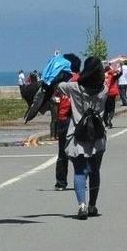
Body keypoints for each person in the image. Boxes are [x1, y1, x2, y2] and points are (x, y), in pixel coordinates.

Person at [58, 57, 108, 219]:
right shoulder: (104, 89)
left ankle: (82, 205)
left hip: (78, 135)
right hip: (97, 136)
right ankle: (93, 204)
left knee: (79, 171)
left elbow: (58, 85)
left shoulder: (74, 88)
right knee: (95, 171)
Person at [54, 57, 81, 191]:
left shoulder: (65, 81)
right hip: (79, 119)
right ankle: (81, 179)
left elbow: (54, 95)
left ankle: (61, 182)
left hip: (65, 118)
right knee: (80, 151)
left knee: (62, 152)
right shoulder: (81, 79)